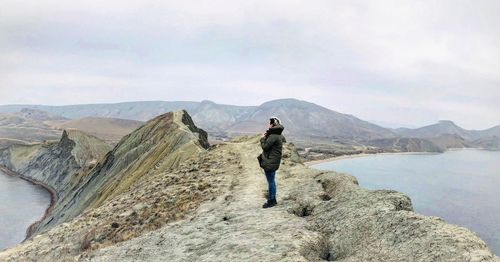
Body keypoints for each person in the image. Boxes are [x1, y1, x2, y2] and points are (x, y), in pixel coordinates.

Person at [259, 116, 286, 208]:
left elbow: (265, 147)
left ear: (273, 124)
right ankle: (273, 200)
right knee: (272, 181)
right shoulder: (278, 135)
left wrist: (262, 138)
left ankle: (271, 201)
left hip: (270, 162)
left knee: (271, 182)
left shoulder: (273, 136)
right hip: (274, 161)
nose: (268, 125)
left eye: (269, 123)